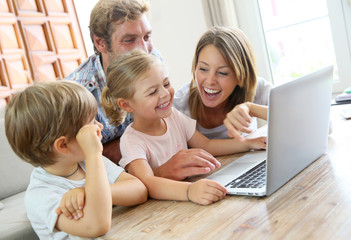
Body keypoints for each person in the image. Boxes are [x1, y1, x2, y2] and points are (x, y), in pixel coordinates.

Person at [65, 0, 224, 181]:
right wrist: (157, 171)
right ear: (100, 43)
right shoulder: (76, 94)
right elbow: (76, 166)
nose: (144, 49)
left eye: (147, 37)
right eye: (129, 40)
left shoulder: (153, 56)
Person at [101, 50, 266, 205]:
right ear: (126, 104)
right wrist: (189, 191)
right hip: (167, 208)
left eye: (166, 84)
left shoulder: (173, 116)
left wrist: (248, 144)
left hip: (192, 196)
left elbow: (206, 145)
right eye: (152, 92)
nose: (165, 94)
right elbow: (146, 183)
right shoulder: (132, 141)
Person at [4, 81, 148, 239]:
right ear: (63, 145)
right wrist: (93, 154)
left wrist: (87, 193)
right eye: (91, 124)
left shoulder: (86, 163)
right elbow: (97, 226)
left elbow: (139, 190)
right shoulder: (41, 196)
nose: (99, 126)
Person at [173, 26, 272, 141]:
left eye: (222, 73)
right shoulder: (180, 105)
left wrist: (251, 108)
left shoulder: (256, 88)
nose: (210, 81)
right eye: (203, 69)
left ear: (241, 76)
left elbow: (294, 114)